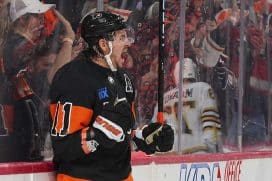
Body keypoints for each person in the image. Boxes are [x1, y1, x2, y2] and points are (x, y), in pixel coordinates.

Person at [49, 11, 174, 181]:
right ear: (103, 45)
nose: (128, 43)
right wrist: (99, 132)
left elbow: (119, 132)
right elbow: (64, 148)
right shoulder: (75, 78)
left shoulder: (124, 79)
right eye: (122, 37)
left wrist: (143, 138)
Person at [152, 58, 222, 154]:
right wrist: (213, 150)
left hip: (169, 154)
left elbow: (154, 132)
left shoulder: (164, 98)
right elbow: (211, 125)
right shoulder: (203, 88)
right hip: (197, 151)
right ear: (194, 72)